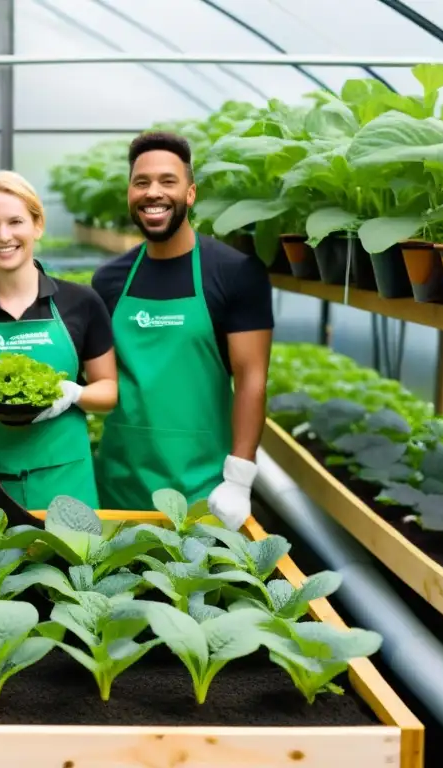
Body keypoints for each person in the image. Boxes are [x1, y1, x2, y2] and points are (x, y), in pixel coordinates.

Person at [91, 130, 274, 530]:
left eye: (167, 181)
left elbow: (251, 378)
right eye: (142, 182)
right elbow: (97, 376)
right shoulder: (107, 280)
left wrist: (239, 478)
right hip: (120, 485)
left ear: (190, 194)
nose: (153, 192)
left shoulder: (235, 273)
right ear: (129, 194)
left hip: (203, 491)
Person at [0, 170, 118, 511]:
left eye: (15, 221)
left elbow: (108, 391)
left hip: (63, 485)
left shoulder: (81, 303)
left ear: (37, 225)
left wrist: (74, 393)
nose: (4, 236)